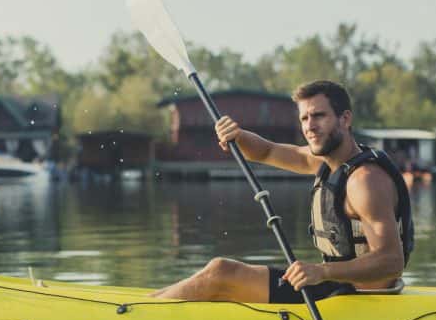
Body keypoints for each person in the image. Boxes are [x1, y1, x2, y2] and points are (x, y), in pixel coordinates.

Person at [150, 80, 413, 304]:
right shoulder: (325, 161)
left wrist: (321, 272)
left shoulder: (364, 181)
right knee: (217, 271)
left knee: (221, 272)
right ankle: (148, 303)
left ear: (345, 119)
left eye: (319, 116)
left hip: (359, 298)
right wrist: (237, 136)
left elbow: (392, 261)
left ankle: (140, 317)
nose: (310, 126)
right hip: (338, 286)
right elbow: (268, 151)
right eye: (304, 118)